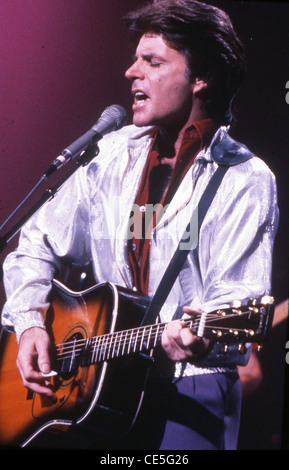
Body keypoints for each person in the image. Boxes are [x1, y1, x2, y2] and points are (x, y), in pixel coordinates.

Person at [1, 0, 278, 450]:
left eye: (151, 61)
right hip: (100, 387)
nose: (132, 72)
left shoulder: (245, 179)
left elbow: (237, 299)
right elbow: (35, 243)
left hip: (190, 393)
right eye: (135, 60)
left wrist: (200, 340)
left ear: (200, 76)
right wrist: (31, 323)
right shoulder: (112, 154)